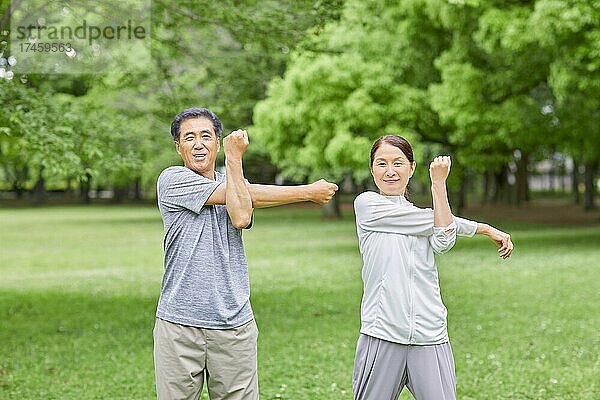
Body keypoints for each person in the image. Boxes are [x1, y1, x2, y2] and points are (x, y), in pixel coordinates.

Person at [154, 107, 338, 400]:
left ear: (217, 142)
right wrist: (306, 191)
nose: (198, 144)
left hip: (234, 324)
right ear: (178, 147)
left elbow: (241, 209)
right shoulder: (172, 180)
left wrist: (234, 167)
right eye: (189, 138)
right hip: (180, 324)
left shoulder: (234, 180)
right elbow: (241, 208)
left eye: (206, 136)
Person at [352, 135, 514, 400]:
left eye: (398, 163)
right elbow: (438, 223)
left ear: (412, 167)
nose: (390, 171)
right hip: (382, 332)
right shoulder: (367, 205)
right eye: (381, 163)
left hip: (429, 333)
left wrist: (440, 188)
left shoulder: (428, 215)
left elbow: (443, 238)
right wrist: (480, 227)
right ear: (372, 169)